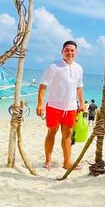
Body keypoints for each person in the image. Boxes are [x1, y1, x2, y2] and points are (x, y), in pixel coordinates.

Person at [36, 40, 85, 170]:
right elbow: (43, 86)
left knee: (68, 135)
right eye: (67, 50)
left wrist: (82, 103)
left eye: (72, 50)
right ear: (62, 52)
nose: (70, 52)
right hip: (54, 106)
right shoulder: (53, 67)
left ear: (76, 52)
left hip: (71, 108)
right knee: (52, 132)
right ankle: (48, 160)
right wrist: (40, 104)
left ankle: (67, 162)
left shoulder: (79, 68)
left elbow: (79, 87)